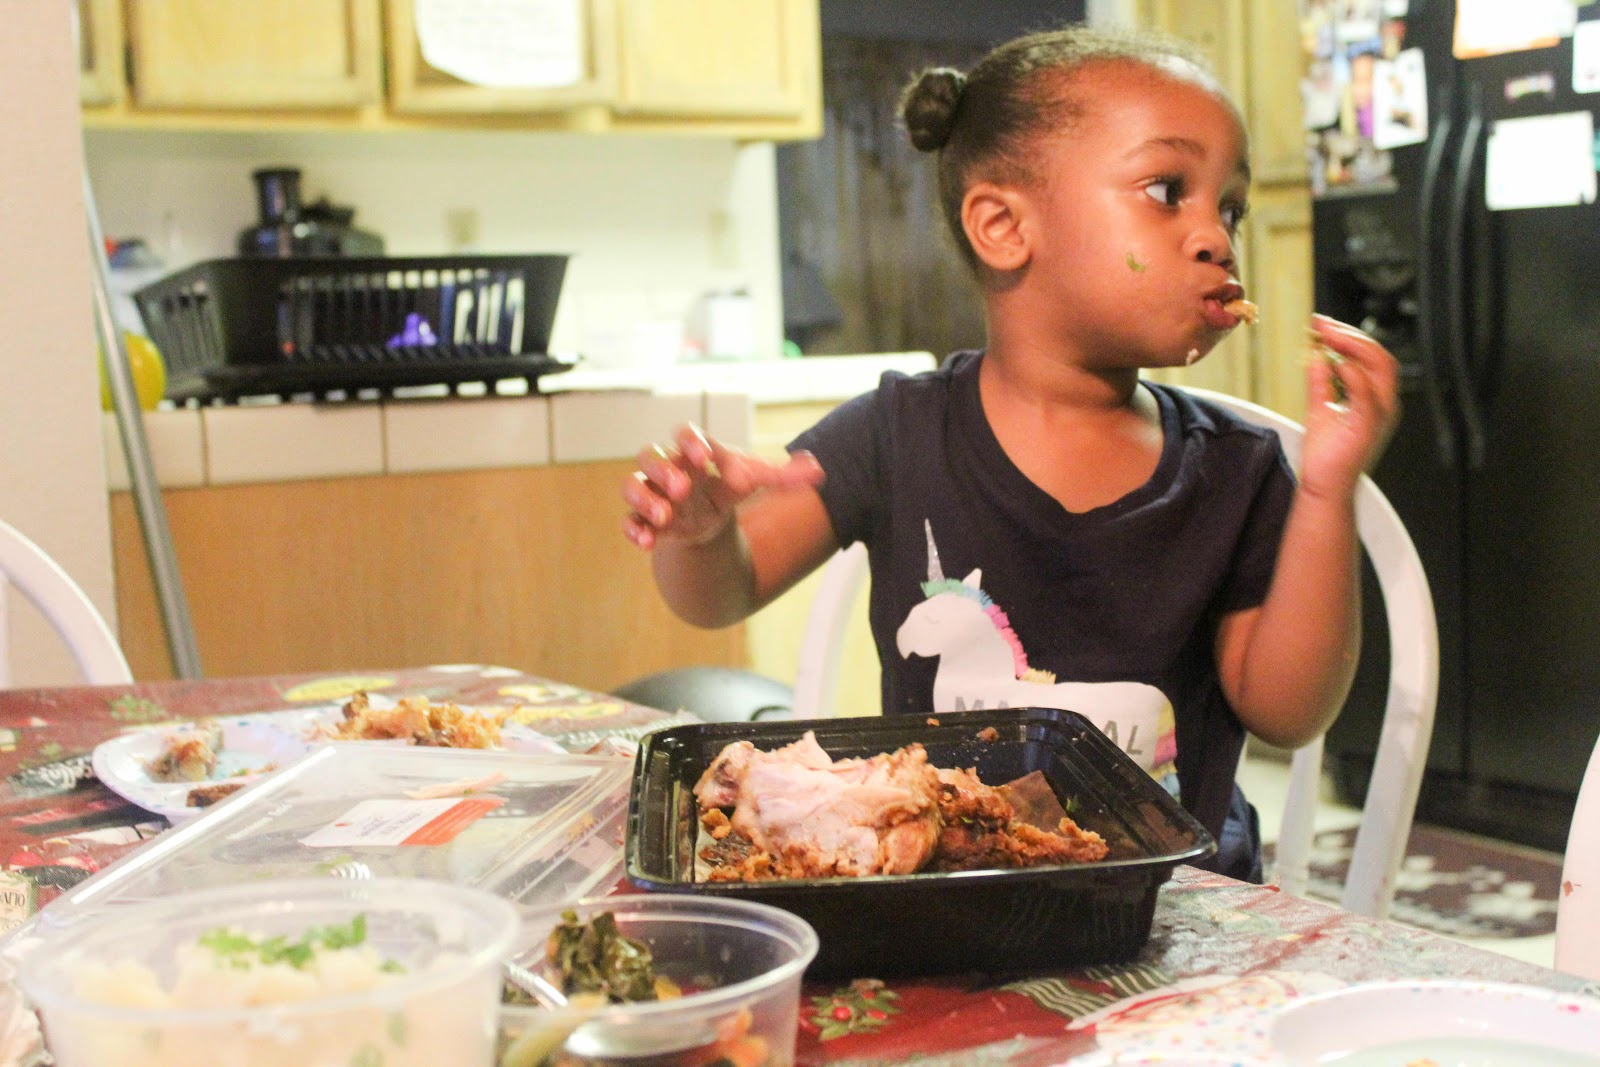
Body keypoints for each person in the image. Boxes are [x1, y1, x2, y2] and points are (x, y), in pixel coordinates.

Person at [620, 25, 1398, 882]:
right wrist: (700, 536)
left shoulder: (1237, 470)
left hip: (1179, 901)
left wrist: (1327, 492)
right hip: (944, 890)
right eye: (1167, 191)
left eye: (1231, 208)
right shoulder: (896, 433)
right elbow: (724, 591)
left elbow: (1288, 711)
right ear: (1001, 226)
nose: (1216, 236)